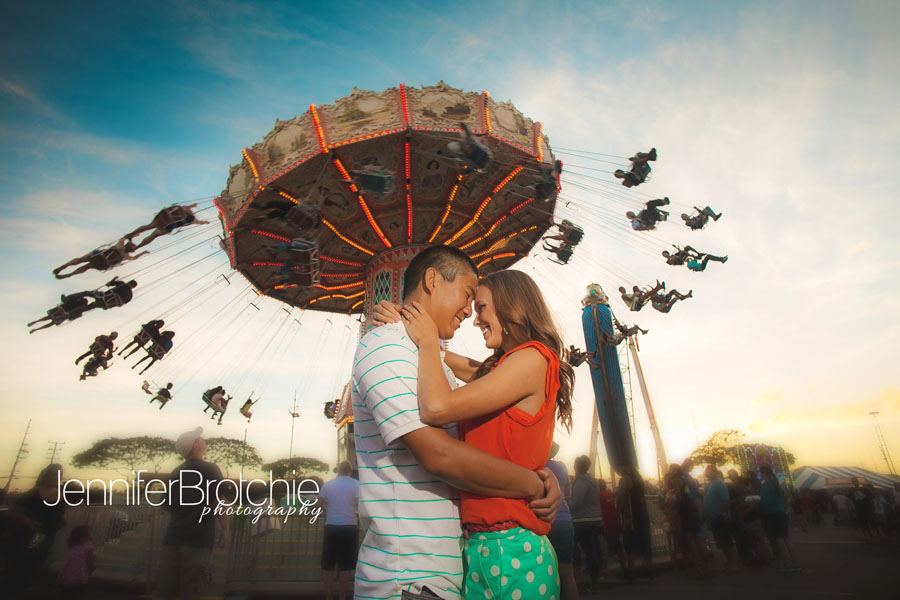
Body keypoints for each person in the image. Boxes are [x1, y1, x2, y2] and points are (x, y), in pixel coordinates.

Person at [356, 245, 562, 600]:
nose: (471, 315)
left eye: (479, 305)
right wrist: (534, 483)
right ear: (433, 280)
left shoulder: (436, 362)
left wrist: (544, 478)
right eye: (470, 298)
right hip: (411, 579)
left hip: (461, 567)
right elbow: (441, 455)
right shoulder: (389, 349)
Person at [154, 427, 229, 600]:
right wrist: (225, 530)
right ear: (195, 446)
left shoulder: (176, 472)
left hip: (173, 538)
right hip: (198, 539)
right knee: (192, 588)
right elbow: (218, 501)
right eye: (199, 438)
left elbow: (166, 507)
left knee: (166, 590)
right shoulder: (210, 469)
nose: (202, 438)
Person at [1, 464, 67, 598]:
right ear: (46, 476)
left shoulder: (59, 494)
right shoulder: (34, 493)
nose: (57, 477)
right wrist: (31, 523)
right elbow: (11, 513)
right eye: (54, 474)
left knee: (34, 565)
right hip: (30, 536)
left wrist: (62, 522)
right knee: (20, 566)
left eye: (59, 474)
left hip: (47, 537)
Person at [318, 461, 360, 600]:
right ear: (350, 470)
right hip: (349, 526)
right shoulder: (356, 484)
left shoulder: (328, 484)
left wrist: (327, 510)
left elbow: (319, 502)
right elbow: (360, 503)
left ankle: (328, 597)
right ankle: (342, 597)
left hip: (331, 525)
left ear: (338, 470)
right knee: (346, 566)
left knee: (328, 565)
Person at [545, 442, 579, 600]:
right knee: (567, 572)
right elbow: (567, 492)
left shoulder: (539, 465)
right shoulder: (562, 467)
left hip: (546, 518)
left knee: (547, 572)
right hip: (565, 518)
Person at [570, 455, 604, 592]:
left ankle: (588, 577)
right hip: (595, 519)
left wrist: (566, 506)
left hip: (582, 521)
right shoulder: (593, 481)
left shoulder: (581, 482)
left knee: (576, 547)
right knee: (593, 549)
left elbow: (577, 502)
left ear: (577, 467)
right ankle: (595, 574)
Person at [615, 462, 653, 579]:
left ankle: (631, 570)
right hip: (642, 513)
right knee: (645, 540)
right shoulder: (639, 479)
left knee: (630, 542)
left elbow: (621, 497)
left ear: (626, 466)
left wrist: (617, 513)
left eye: (620, 466)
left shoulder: (625, 479)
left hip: (631, 517)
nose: (619, 468)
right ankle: (648, 569)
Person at [759, 466, 799, 572]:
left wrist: (756, 502)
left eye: (760, 474)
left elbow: (766, 501)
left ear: (763, 474)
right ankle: (795, 563)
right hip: (781, 513)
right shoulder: (777, 486)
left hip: (772, 514)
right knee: (787, 539)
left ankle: (787, 564)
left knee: (779, 540)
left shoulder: (766, 486)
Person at [53, 237, 149, 279]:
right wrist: (143, 252)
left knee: (81, 259)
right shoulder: (126, 256)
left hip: (97, 255)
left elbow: (124, 238)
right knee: (86, 267)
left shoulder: (119, 245)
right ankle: (71, 274)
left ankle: (65, 266)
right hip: (102, 264)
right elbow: (135, 258)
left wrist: (132, 236)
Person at [125, 203, 210, 250]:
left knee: (149, 226)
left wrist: (193, 206)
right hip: (168, 226)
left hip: (164, 216)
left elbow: (188, 206)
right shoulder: (192, 219)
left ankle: (131, 234)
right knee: (154, 235)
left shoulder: (186, 209)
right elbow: (199, 222)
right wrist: (205, 222)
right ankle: (137, 247)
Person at [703, 465, 739, 572]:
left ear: (714, 472)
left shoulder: (719, 484)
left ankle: (733, 565)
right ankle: (729, 562)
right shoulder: (709, 485)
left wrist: (724, 513)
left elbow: (725, 500)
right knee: (721, 542)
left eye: (708, 471)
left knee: (726, 541)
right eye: (706, 471)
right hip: (714, 518)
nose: (706, 473)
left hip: (720, 517)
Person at [57, 525, 95, 600]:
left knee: (66, 594)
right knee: (78, 594)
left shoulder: (72, 546)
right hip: (80, 576)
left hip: (68, 575)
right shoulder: (88, 547)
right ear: (84, 535)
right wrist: (92, 568)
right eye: (90, 531)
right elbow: (90, 560)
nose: (92, 533)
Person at [597, 478, 626, 577]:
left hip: (606, 525)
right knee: (618, 547)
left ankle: (605, 568)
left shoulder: (599, 496)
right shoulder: (608, 493)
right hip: (614, 523)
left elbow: (600, 511)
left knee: (603, 547)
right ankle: (623, 566)